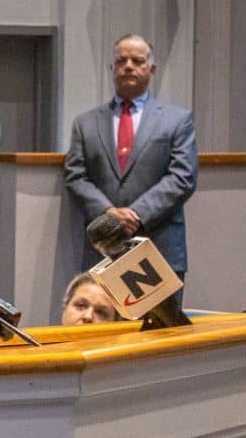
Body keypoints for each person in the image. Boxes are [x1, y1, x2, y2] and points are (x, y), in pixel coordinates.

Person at [64, 34, 198, 281]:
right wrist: (109, 215)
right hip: (102, 250)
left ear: (152, 68)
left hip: (160, 247)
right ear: (112, 67)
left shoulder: (177, 120)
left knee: (163, 322)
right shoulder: (85, 123)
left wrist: (135, 214)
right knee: (103, 320)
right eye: (121, 60)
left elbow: (183, 177)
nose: (128, 66)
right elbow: (75, 176)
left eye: (137, 61)